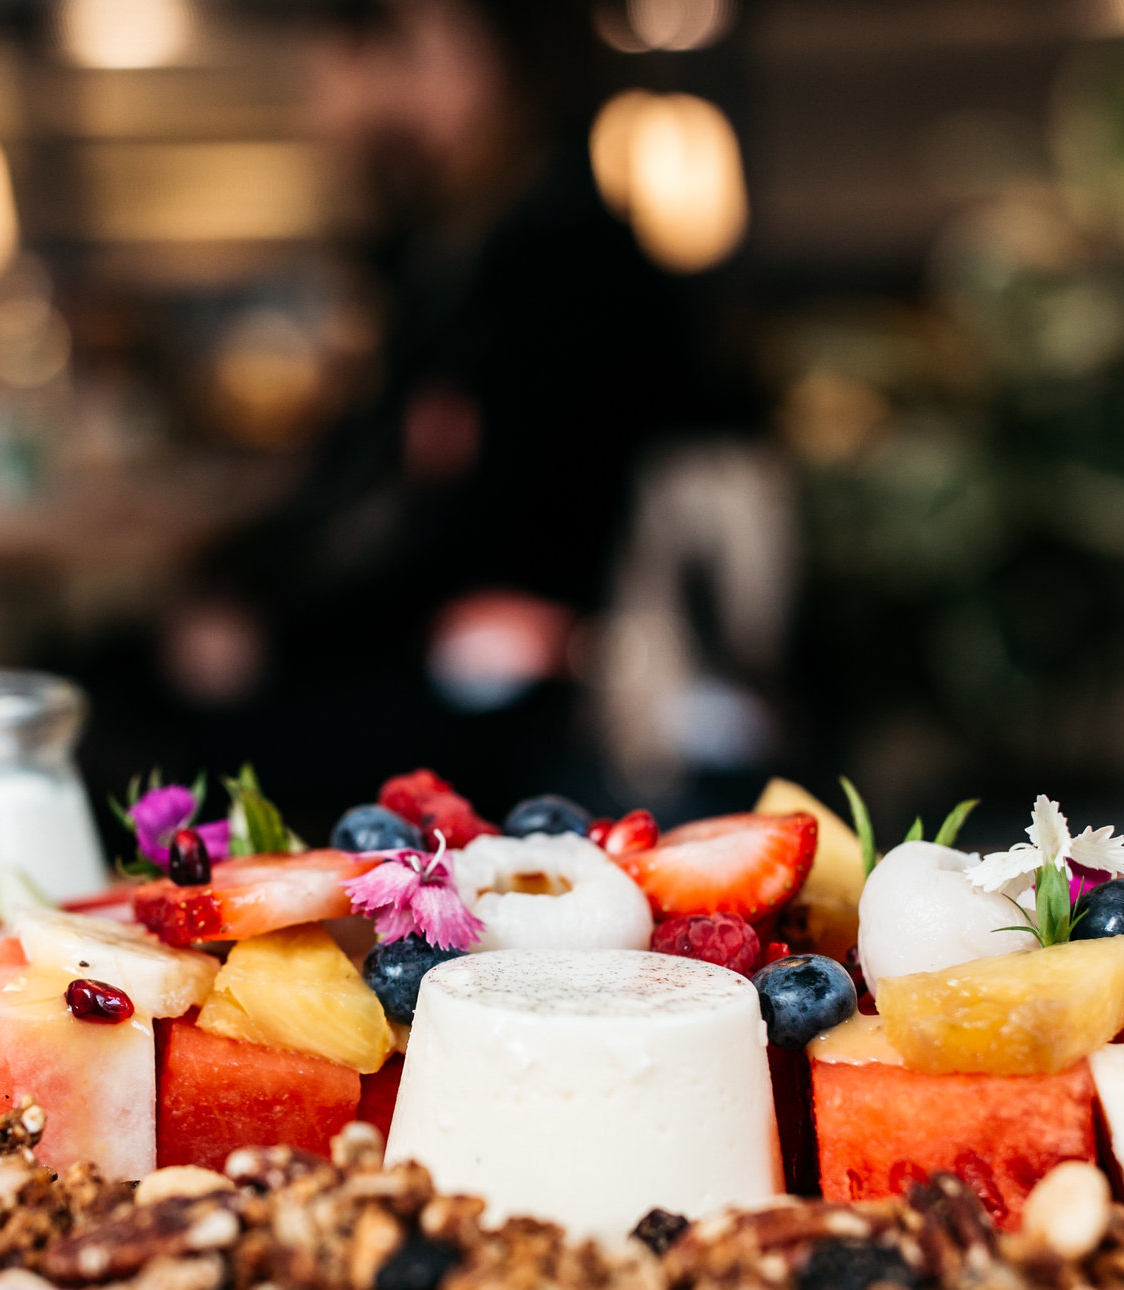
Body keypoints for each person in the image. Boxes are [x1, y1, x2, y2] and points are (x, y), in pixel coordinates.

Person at [155, 0, 751, 822]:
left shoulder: (564, 263)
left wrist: (273, 629)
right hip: (430, 645)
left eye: (424, 56)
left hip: (532, 692)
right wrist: (241, 583)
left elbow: (488, 533)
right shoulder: (448, 252)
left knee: (179, 735)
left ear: (515, 67)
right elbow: (375, 483)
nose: (397, 94)